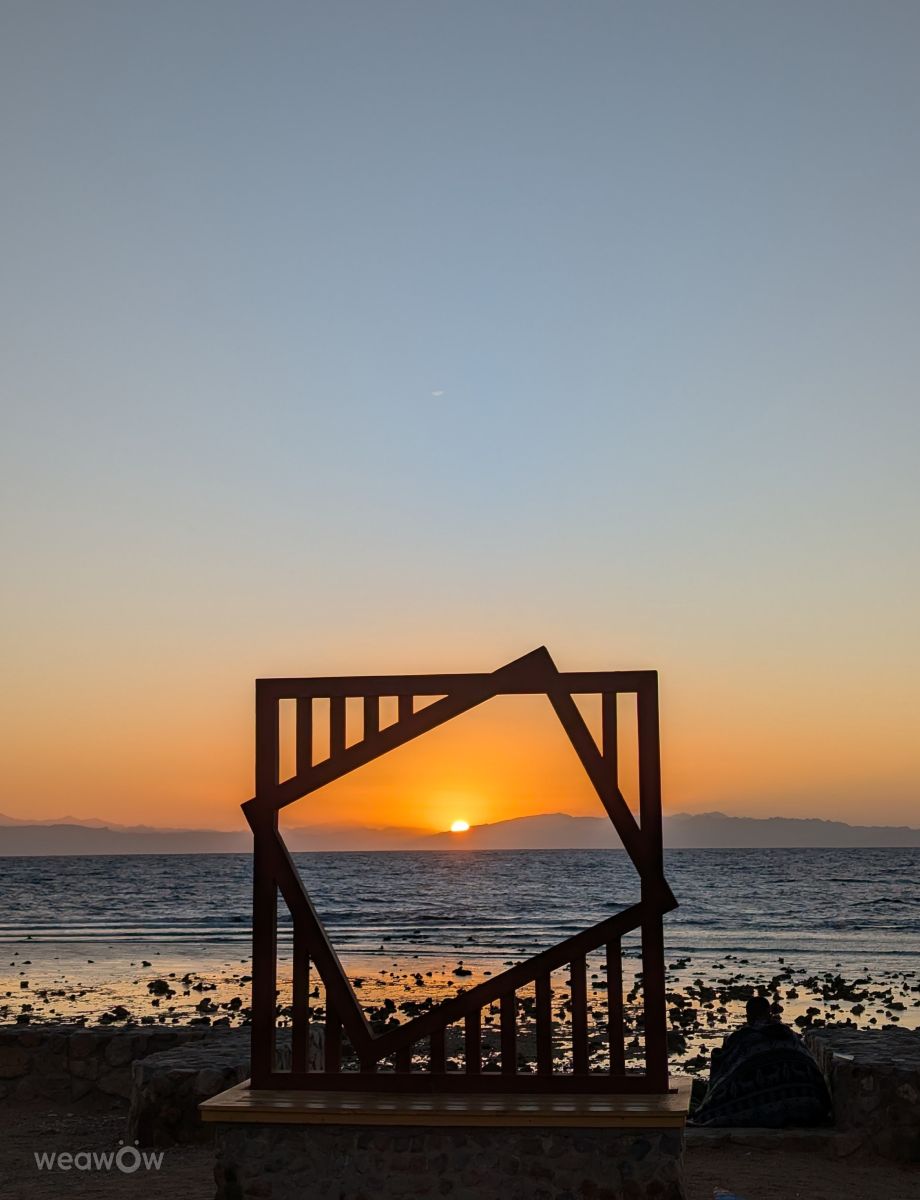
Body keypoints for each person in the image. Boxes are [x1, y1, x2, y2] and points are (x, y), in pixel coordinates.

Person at [691, 994, 832, 1128]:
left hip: (759, 1106)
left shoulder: (742, 1039)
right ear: (769, 1013)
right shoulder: (789, 1035)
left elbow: (723, 1068)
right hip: (810, 1104)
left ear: (748, 1016)